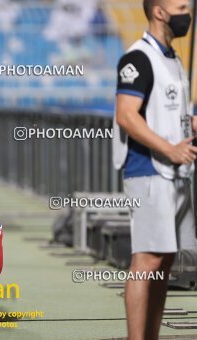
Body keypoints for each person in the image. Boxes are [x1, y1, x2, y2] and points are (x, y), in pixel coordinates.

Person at [112, 1, 196, 339]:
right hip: (149, 171)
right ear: (159, 12)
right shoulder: (138, 58)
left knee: (164, 261)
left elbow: (167, 110)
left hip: (177, 175)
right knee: (146, 260)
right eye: (180, 7)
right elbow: (126, 115)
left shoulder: (173, 59)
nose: (186, 13)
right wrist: (170, 148)